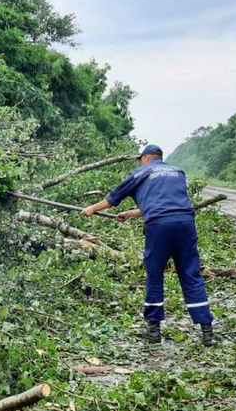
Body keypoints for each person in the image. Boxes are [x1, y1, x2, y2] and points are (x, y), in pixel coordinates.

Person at [83, 144, 214, 346]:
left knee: (155, 274)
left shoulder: (140, 173)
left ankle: (154, 331)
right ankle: (207, 331)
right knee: (190, 274)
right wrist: (132, 213)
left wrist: (92, 208)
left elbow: (112, 199)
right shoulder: (177, 172)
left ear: (145, 158)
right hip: (185, 224)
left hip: (159, 227)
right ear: (159, 158)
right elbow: (167, 202)